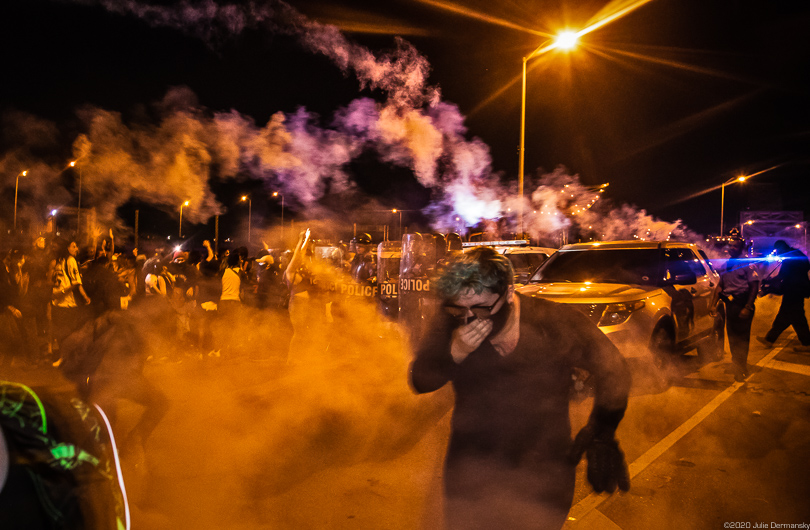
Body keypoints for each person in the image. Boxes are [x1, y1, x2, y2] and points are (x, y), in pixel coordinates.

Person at [409, 247, 631, 530]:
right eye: (458, 309)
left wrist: (602, 430)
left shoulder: (553, 322)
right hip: (471, 468)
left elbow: (615, 369)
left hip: (545, 468)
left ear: (509, 292)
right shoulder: (449, 320)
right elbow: (420, 380)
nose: (468, 318)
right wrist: (454, 352)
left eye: (481, 308)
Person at [709, 238, 760, 381]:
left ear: (741, 247)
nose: (731, 248)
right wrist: (713, 304)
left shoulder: (748, 264)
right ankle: (736, 363)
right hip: (730, 305)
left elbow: (754, 286)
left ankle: (741, 368)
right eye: (730, 245)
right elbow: (720, 286)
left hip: (743, 303)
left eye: (734, 246)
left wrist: (748, 307)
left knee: (742, 338)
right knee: (732, 337)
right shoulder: (727, 264)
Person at [757, 240, 810, 352]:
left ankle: (807, 344)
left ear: (781, 248)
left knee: (797, 318)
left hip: (794, 291)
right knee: (784, 317)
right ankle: (769, 339)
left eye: (777, 250)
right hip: (797, 289)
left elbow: (782, 276)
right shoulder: (795, 254)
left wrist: (769, 282)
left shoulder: (790, 258)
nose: (777, 253)